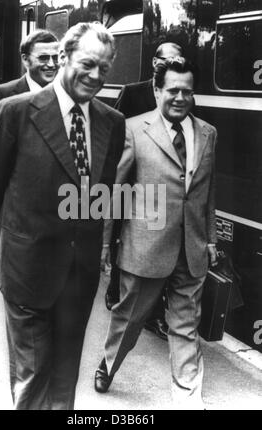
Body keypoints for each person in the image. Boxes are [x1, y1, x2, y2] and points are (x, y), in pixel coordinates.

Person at [0, 22, 125, 410]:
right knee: (32, 380)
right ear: (63, 58)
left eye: (104, 69)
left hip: (79, 274)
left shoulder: (112, 121)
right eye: (88, 64)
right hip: (27, 269)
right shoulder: (16, 111)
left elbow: (100, 197)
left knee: (64, 382)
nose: (95, 76)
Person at [95, 57, 218, 408]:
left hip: (191, 248)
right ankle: (108, 364)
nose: (180, 98)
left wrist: (210, 238)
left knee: (185, 326)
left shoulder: (208, 133)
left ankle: (186, 397)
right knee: (129, 317)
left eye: (188, 92)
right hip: (145, 247)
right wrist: (104, 244)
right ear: (157, 90)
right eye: (173, 90)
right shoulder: (133, 129)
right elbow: (113, 191)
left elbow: (208, 194)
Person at [105, 42, 182, 342]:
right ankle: (115, 289)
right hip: (130, 178)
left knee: (152, 243)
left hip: (159, 183)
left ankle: (152, 313)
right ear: (154, 62)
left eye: (178, 59)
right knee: (121, 234)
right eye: (168, 58)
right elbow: (115, 131)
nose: (173, 63)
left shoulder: (180, 95)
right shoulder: (133, 91)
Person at [0, 29, 59, 237]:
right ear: (25, 60)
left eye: (56, 57)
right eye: (43, 58)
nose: (51, 64)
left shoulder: (65, 96)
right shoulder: (2, 94)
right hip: (13, 204)